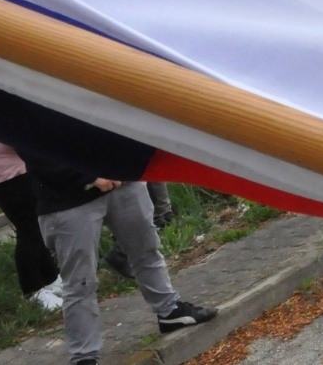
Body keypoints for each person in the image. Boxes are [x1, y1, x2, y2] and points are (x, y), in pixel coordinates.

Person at [25, 155, 217, 365]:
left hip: (124, 182)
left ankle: (169, 311)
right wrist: (89, 175)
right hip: (67, 199)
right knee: (80, 281)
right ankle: (84, 356)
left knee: (147, 250)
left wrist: (128, 165)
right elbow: (30, 148)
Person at [0, 133, 63, 310]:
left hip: (3, 172)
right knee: (29, 229)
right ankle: (32, 289)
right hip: (4, 176)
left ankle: (51, 279)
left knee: (34, 225)